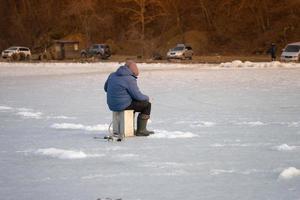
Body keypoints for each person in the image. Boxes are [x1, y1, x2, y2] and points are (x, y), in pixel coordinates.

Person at [104, 60, 154, 136]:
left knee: (133, 103)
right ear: (133, 71)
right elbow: (138, 96)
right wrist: (147, 97)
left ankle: (130, 128)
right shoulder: (129, 79)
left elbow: (105, 88)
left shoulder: (112, 75)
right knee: (147, 105)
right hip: (122, 105)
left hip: (112, 104)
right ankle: (141, 130)